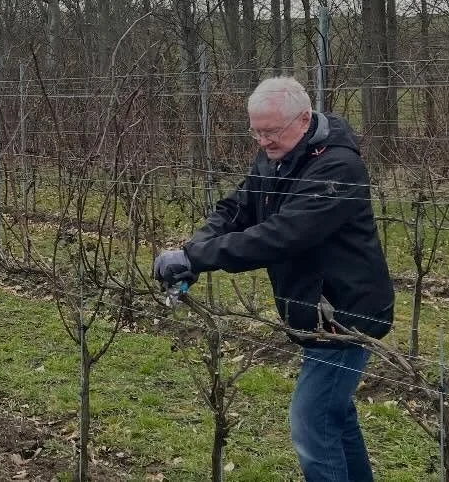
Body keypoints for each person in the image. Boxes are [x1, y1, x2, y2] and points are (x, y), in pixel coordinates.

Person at [153, 76, 394, 482]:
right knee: (334, 415)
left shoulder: (338, 167)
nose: (262, 141)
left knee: (312, 425)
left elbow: (281, 236)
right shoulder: (275, 155)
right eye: (256, 132)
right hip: (310, 306)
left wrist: (195, 256)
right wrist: (194, 251)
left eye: (271, 132)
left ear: (303, 120)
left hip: (344, 311)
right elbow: (238, 207)